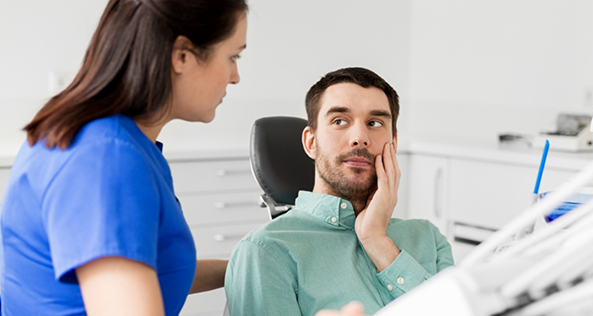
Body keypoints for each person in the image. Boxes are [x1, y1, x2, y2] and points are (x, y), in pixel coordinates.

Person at [0, 0, 248, 315]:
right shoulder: (105, 159)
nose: (235, 76)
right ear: (182, 55)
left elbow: (154, 270)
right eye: (233, 56)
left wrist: (247, 265)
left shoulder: (110, 138)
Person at [225, 67, 455, 316]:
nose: (359, 137)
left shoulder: (429, 239)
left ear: (393, 144)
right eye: (340, 121)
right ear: (311, 143)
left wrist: (377, 241)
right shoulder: (266, 252)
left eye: (375, 123)